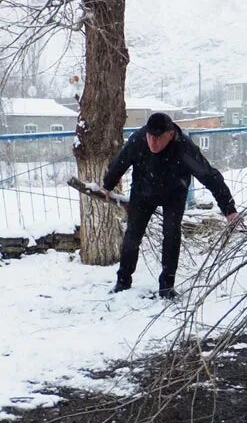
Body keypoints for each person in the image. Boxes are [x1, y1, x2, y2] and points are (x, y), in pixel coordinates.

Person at [100, 112, 238, 299]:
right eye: (150, 136)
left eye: (158, 138)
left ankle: (166, 286)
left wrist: (229, 209)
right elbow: (120, 162)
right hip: (143, 192)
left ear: (170, 134)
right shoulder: (139, 139)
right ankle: (123, 281)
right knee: (132, 235)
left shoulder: (184, 148)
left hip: (174, 194)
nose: (152, 142)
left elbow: (209, 176)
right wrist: (107, 186)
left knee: (171, 235)